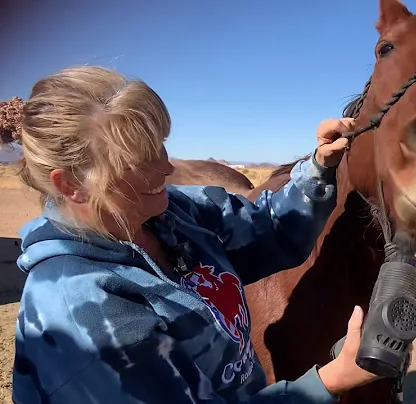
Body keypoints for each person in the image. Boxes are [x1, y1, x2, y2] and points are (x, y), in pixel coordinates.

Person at [11, 65, 377, 403]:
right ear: (73, 184)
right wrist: (327, 383)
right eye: (139, 162)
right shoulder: (86, 316)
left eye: (160, 147)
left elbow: (267, 227)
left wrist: (319, 168)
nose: (167, 167)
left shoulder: (169, 212)